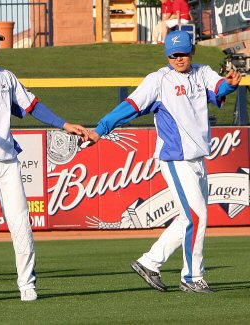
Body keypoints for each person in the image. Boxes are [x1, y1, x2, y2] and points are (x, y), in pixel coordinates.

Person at [0, 21, 88, 302]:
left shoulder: (6, 77)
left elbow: (32, 105)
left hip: (8, 160)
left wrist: (64, 124)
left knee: (21, 221)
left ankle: (27, 284)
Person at [86, 31, 241, 293]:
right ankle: (192, 277)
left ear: (192, 51)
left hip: (198, 158)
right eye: (174, 54)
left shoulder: (202, 73)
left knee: (186, 219)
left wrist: (230, 85)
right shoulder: (158, 80)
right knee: (196, 216)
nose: (179, 58)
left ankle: (149, 262)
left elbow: (218, 89)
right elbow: (130, 106)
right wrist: (100, 130)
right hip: (175, 158)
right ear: (167, 55)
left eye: (183, 53)